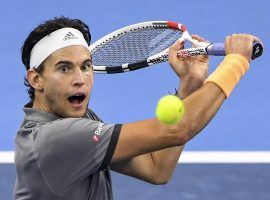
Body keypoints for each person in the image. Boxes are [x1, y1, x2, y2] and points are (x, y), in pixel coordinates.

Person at [14, 16, 261, 200]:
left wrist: (190, 85)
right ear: (37, 79)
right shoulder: (55, 139)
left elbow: (157, 168)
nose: (80, 78)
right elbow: (178, 130)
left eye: (86, 66)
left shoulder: (75, 119)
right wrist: (236, 61)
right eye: (64, 68)